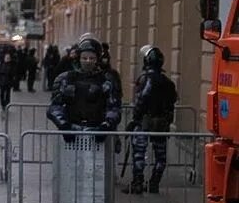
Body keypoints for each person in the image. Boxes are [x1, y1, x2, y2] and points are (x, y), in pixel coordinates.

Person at [125, 45, 178, 194]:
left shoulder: (145, 79)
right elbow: (171, 102)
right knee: (160, 156)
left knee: (139, 154)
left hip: (144, 121)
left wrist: (135, 119)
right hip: (161, 123)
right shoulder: (168, 82)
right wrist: (167, 120)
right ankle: (154, 183)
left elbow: (141, 100)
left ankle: (137, 183)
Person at [47, 37, 122, 139]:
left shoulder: (106, 81)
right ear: (79, 58)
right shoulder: (65, 78)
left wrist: (105, 126)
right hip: (71, 132)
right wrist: (64, 124)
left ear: (97, 59)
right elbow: (55, 106)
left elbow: (114, 107)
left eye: (92, 58)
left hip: (97, 133)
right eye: (84, 58)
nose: (88, 61)